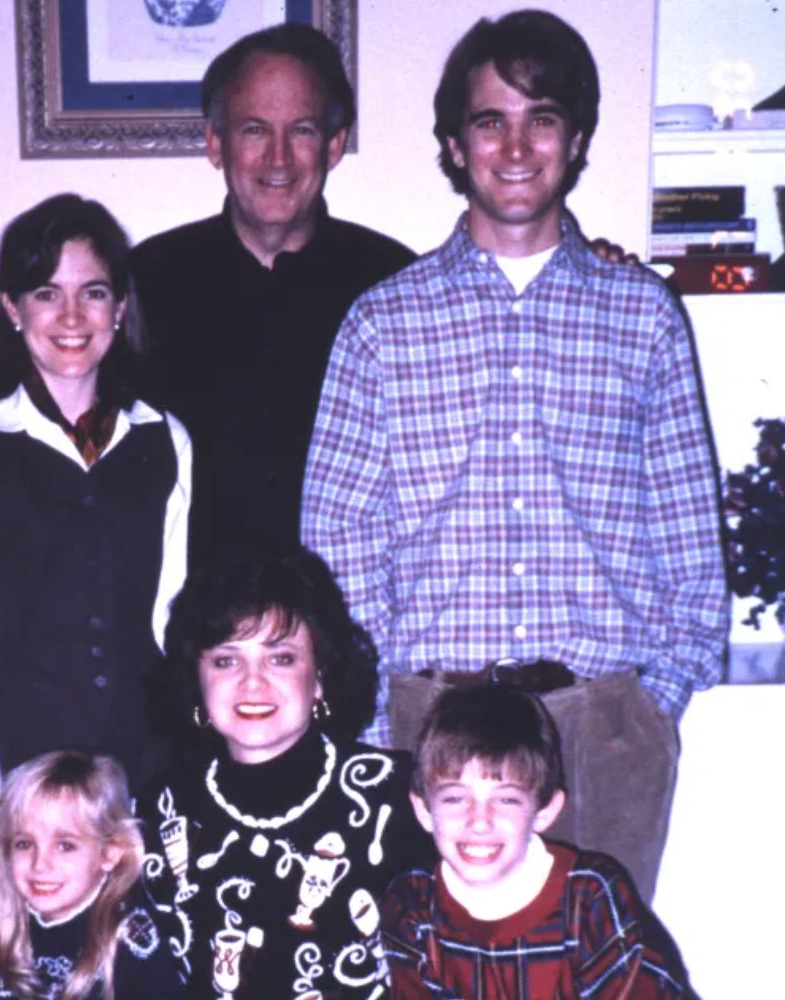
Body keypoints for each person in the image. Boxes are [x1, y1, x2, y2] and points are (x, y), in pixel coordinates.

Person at [301, 10, 728, 903]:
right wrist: (387, 719)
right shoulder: (384, 324)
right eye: (490, 120)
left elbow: (689, 533)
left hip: (602, 722)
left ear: (575, 141)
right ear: (455, 146)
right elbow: (336, 538)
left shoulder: (642, 316)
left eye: (542, 117)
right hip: (436, 725)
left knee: (595, 974)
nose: (516, 144)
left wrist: (653, 706)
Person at [0, 24, 415, 561]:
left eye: (303, 131)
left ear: (334, 145)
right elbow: (64, 392)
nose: (278, 159)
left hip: (340, 613)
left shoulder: (394, 285)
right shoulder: (148, 276)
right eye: (253, 130)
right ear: (215, 144)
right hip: (180, 620)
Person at [0, 194, 191, 979]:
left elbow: (165, 619)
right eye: (44, 292)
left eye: (93, 291)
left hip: (128, 793)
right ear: (11, 308)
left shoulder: (166, 440)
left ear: (120, 306)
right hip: (13, 794)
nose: (70, 314)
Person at [138, 542, 433, 998]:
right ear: (195, 678)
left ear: (319, 676)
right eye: (225, 660)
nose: (251, 682)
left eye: (280, 658)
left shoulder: (400, 797)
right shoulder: (162, 807)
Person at [382, 685, 695, 999]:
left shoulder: (589, 896)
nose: (479, 821)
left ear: (545, 811)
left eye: (505, 800)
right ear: (423, 810)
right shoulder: (412, 903)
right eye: (455, 799)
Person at [0, 749, 184, 998]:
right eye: (24, 844)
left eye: (65, 846)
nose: (40, 865)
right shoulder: (1, 933)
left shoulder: (132, 942)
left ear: (110, 852)